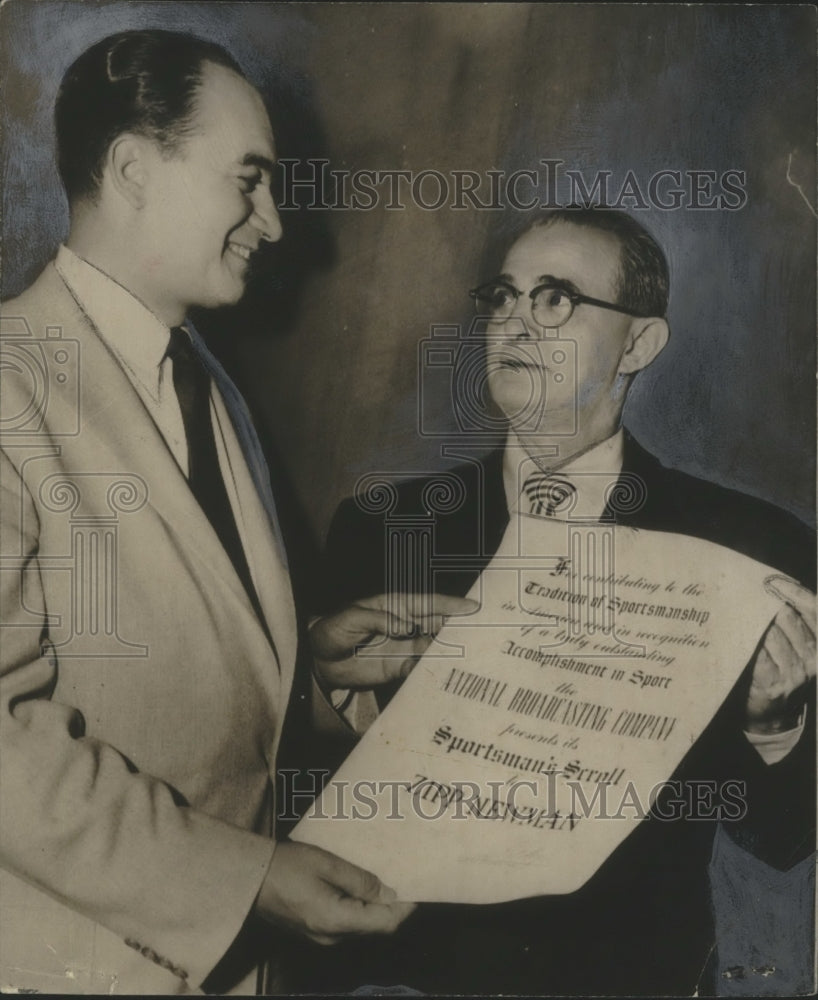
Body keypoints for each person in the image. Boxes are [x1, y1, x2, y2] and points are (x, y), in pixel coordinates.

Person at [0, 28, 468, 996]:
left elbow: (169, 661)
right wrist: (250, 879)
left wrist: (313, 673)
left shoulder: (206, 381)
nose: (276, 223)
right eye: (247, 179)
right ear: (132, 168)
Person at [317, 208, 816, 996]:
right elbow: (285, 791)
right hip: (408, 977)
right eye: (504, 297)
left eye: (555, 299)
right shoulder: (380, 530)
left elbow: (789, 837)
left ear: (640, 345)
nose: (516, 322)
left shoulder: (751, 549)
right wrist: (331, 693)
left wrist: (775, 726)